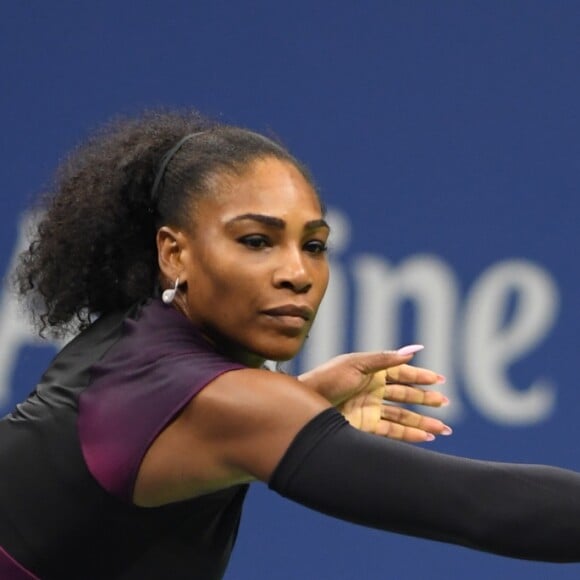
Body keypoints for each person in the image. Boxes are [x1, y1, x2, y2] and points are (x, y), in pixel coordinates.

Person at [1, 110, 579, 580]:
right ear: (174, 253)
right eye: (257, 241)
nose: (296, 273)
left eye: (316, 246)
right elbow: (479, 507)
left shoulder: (138, 343)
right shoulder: (221, 403)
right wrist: (284, 411)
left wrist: (295, 398)